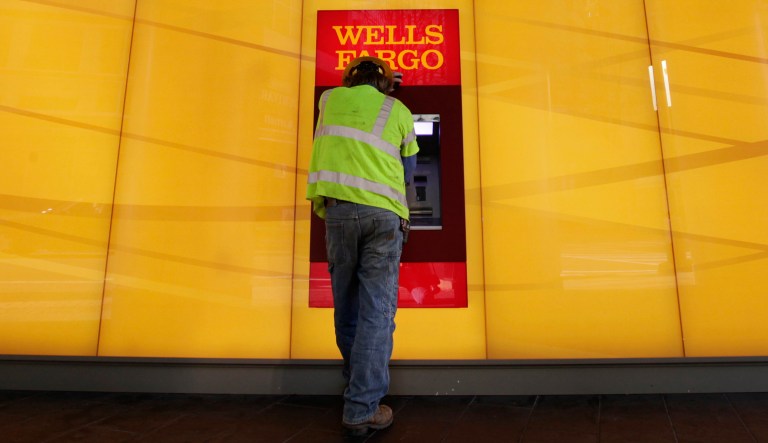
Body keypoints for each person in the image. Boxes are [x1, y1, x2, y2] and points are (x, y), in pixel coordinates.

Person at [306, 56, 419, 433]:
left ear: (349, 80)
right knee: (377, 312)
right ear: (387, 84)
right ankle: (361, 407)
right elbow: (410, 172)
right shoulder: (399, 111)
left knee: (348, 306)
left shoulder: (329, 100)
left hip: (338, 214)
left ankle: (357, 389)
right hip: (384, 218)